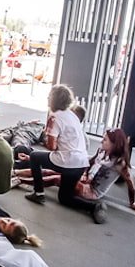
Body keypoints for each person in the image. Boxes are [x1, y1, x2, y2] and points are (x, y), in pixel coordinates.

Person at [17, 127, 135, 221]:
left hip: (93, 190)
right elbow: (89, 162)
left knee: (57, 178)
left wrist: (133, 202)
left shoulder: (120, 164)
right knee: (55, 170)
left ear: (114, 144)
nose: (102, 141)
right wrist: (84, 174)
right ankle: (16, 174)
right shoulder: (102, 151)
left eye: (105, 140)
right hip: (87, 180)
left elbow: (131, 183)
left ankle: (20, 180)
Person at [25, 84, 97, 219]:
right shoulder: (72, 115)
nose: (47, 99)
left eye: (49, 97)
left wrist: (46, 136)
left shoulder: (54, 117)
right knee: (65, 197)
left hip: (66, 161)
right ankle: (92, 207)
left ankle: (38, 193)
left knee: (35, 156)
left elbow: (52, 146)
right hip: (81, 163)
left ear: (54, 100)